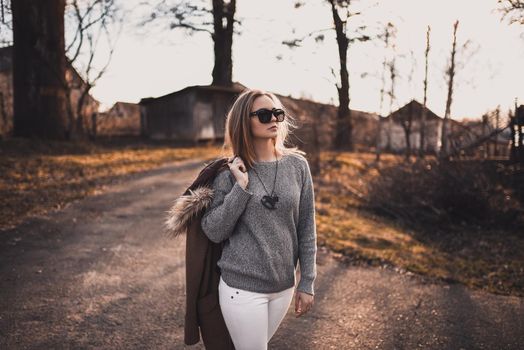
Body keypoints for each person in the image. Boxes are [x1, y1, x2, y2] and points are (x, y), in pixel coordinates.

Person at [200, 88, 317, 349]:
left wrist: (307, 281)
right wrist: (240, 189)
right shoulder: (228, 173)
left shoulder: (298, 166)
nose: (274, 119)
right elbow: (213, 231)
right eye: (264, 115)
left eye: (277, 113)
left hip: (283, 287)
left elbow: (307, 228)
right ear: (245, 121)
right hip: (242, 289)